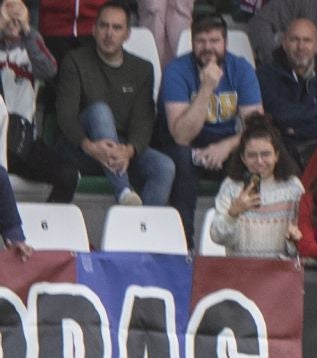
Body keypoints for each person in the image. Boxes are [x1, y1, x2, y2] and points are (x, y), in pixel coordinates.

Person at [53, 1, 173, 208]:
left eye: (116, 28)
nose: (109, 33)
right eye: (103, 26)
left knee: (164, 166)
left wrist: (129, 151)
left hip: (122, 152)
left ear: (127, 34)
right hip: (81, 149)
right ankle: (123, 190)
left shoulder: (142, 68)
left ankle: (142, 232)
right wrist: (90, 147)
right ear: (93, 29)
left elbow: (144, 120)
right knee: (100, 111)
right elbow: (65, 115)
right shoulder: (75, 60)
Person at [159, 14, 264, 227]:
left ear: (225, 43)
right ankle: (184, 241)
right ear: (192, 43)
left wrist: (226, 146)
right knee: (183, 159)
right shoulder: (176, 70)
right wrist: (206, 87)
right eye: (201, 41)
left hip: (225, 142)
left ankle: (244, 235)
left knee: (254, 156)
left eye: (215, 41)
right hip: (185, 144)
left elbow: (257, 128)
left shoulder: (241, 69)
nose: (208, 47)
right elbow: (181, 136)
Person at [1, 0, 79, 204]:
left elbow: (50, 70)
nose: (12, 19)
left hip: (23, 140)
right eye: (6, 12)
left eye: (17, 12)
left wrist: (27, 32)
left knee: (68, 174)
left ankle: (45, 227)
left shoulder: (31, 45)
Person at [208, 117, 305, 256]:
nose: (259, 161)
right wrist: (234, 213)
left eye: (265, 154)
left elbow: (300, 244)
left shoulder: (293, 187)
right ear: (243, 158)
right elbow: (218, 237)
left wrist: (293, 241)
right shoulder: (231, 186)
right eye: (252, 155)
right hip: (240, 271)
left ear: (276, 155)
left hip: (279, 272)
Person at [258, 17, 317, 165]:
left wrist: (295, 131)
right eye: (294, 40)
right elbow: (278, 113)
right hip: (280, 157)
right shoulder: (264, 75)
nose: (301, 46)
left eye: (307, 40)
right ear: (284, 43)